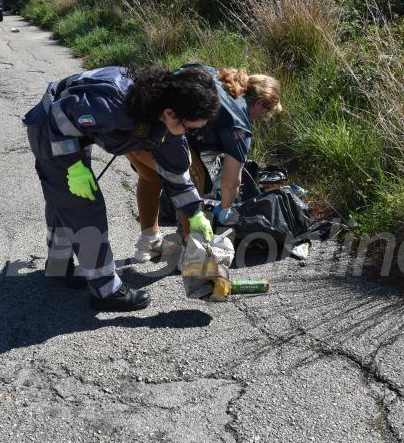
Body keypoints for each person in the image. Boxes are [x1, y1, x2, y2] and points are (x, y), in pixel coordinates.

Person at [24, 66, 219, 312]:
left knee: (64, 199)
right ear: (171, 113)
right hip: (52, 131)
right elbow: (61, 118)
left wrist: (194, 212)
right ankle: (105, 291)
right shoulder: (115, 102)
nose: (194, 133)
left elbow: (175, 171)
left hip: (76, 131)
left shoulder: (163, 115)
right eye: (191, 128)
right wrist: (74, 166)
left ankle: (58, 266)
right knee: (84, 208)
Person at [125, 64, 282, 262]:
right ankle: (191, 251)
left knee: (150, 177)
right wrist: (225, 211)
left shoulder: (217, 76)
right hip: (161, 130)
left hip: (132, 121)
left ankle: (149, 242)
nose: (261, 119)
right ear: (259, 103)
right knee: (194, 180)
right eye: (265, 113)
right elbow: (230, 181)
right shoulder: (239, 121)